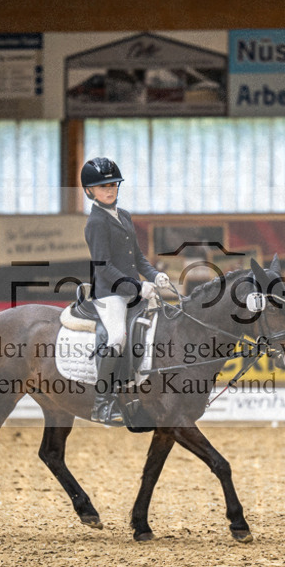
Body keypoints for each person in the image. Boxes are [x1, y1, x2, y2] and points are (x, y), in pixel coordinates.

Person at [81, 157, 169, 425]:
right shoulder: (95, 222)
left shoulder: (125, 215)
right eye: (103, 186)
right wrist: (137, 286)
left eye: (113, 184)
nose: (110, 190)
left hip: (134, 290)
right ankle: (102, 404)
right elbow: (104, 267)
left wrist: (155, 275)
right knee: (117, 337)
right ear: (89, 191)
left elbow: (138, 259)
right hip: (110, 293)